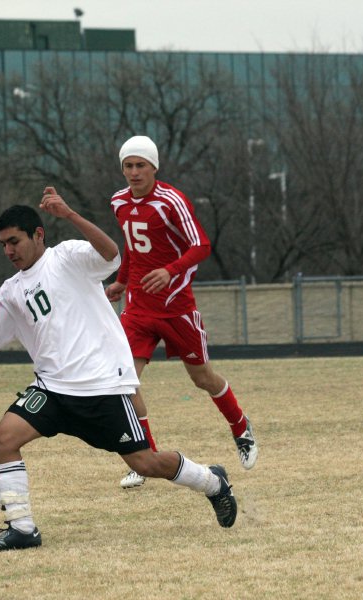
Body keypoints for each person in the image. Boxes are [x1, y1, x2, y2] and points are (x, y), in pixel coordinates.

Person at [0, 189, 238, 552]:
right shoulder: (12, 291)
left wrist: (69, 215)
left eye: (14, 241)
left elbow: (112, 255)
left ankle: (212, 482)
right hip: (51, 390)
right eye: (3, 244)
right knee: (1, 440)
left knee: (145, 463)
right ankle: (22, 528)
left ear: (38, 235)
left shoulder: (66, 256)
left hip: (102, 387)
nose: (9, 251)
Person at [106, 135, 258, 490]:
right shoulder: (118, 201)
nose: (133, 172)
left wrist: (170, 271)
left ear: (154, 167)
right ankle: (147, 459)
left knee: (203, 378)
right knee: (123, 383)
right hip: (139, 309)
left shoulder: (171, 201)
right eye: (128, 165)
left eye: (140, 165)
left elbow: (201, 245)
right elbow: (133, 246)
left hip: (176, 308)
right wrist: (123, 280)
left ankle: (241, 427)